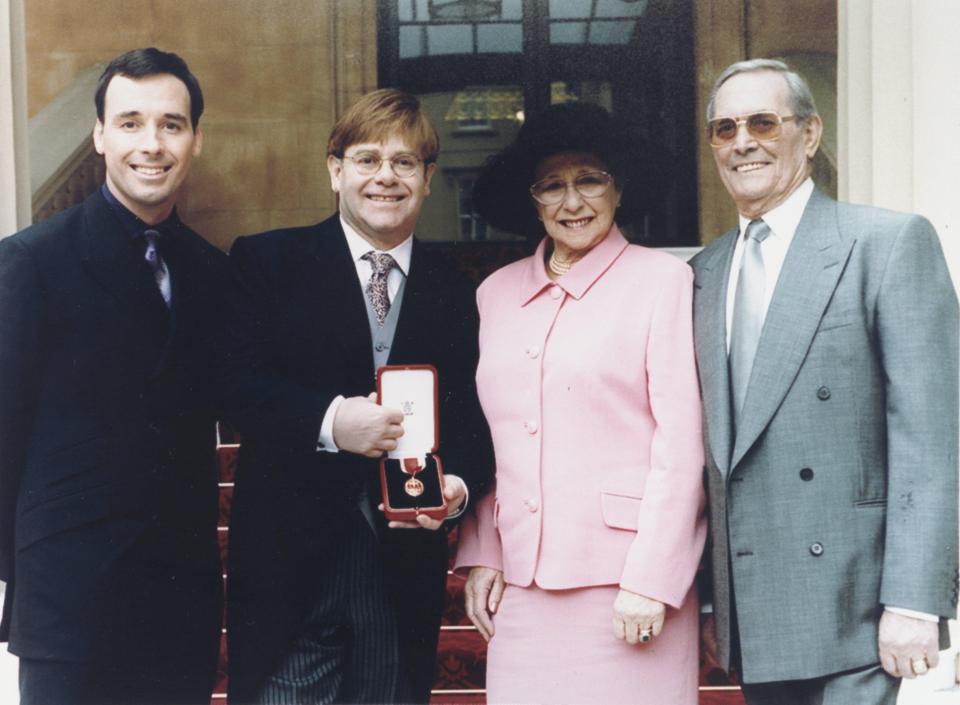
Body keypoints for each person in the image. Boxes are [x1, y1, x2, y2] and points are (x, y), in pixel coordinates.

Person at [692, 58, 959, 705]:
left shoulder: (886, 243)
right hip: (756, 608)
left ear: (809, 135)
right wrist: (711, 602)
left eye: (763, 122)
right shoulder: (703, 272)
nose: (743, 141)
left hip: (858, 611)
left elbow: (932, 434)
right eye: (725, 129)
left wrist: (916, 599)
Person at [218, 88, 493, 704]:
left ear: (427, 179)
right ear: (335, 170)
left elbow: (475, 425)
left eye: (405, 162)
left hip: (400, 569)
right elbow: (233, 383)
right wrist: (331, 422)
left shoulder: (458, 291)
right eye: (367, 159)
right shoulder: (268, 262)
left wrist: (459, 490)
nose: (385, 177)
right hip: (291, 561)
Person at [455, 102, 706, 704]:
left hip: (628, 584)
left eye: (590, 179)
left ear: (619, 188)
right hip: (523, 582)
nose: (573, 202)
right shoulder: (496, 294)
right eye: (553, 185)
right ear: (533, 199)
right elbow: (499, 439)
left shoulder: (662, 282)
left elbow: (682, 444)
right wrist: (484, 551)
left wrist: (653, 579)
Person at [0, 48, 225, 704]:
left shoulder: (214, 274)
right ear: (99, 136)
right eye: (130, 123)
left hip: (178, 603)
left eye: (171, 124)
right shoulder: (31, 262)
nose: (150, 144)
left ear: (195, 140)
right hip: (68, 604)